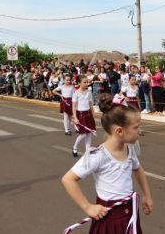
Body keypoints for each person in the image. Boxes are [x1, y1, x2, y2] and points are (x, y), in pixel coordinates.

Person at [61, 93, 153, 234]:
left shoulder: (129, 148)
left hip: (129, 212)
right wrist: (88, 207)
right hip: (108, 216)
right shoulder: (98, 155)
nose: (139, 131)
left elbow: (137, 168)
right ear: (119, 131)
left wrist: (147, 195)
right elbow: (68, 179)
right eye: (136, 127)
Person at [72, 76, 96, 157]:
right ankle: (75, 146)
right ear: (79, 83)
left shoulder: (89, 92)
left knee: (89, 133)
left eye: (87, 82)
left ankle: (87, 150)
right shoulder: (76, 93)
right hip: (81, 115)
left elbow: (91, 105)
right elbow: (74, 107)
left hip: (88, 114)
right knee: (83, 134)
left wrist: (93, 115)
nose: (87, 84)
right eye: (84, 82)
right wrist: (75, 118)